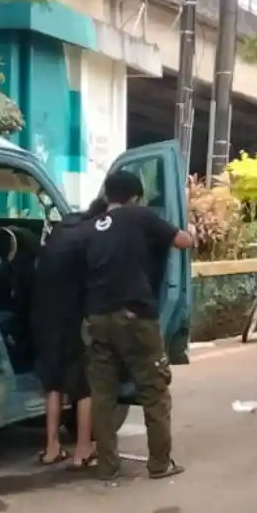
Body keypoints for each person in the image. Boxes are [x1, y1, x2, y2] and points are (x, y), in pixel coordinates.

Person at [83, 170, 194, 481]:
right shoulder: (139, 216)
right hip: (134, 317)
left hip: (97, 319)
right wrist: (191, 231)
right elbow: (182, 241)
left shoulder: (91, 227)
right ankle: (159, 463)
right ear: (135, 196)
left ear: (108, 195)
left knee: (103, 395)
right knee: (154, 391)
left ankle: (107, 465)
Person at [32, 197, 108, 469]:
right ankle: (83, 450)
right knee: (82, 387)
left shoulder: (63, 229)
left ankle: (52, 448)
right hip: (71, 319)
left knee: (53, 385)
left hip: (43, 316)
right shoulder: (90, 237)